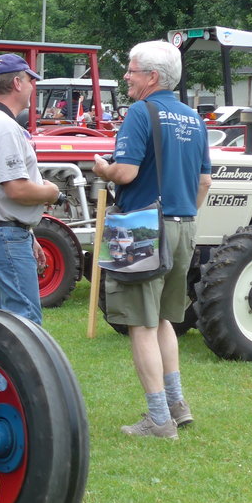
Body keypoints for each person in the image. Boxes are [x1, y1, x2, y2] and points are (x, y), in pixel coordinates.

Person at [93, 41, 211, 439]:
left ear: (152, 77)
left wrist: (102, 169)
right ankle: (177, 405)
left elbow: (125, 173)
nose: (126, 76)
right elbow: (205, 181)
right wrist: (183, 214)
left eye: (131, 70)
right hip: (184, 224)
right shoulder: (195, 118)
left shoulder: (141, 114)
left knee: (140, 324)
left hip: (141, 224)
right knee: (162, 319)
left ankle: (158, 420)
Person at [0, 53, 65, 325]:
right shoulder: (4, 127)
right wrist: (52, 192)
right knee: (26, 326)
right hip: (5, 237)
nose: (33, 87)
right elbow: (16, 190)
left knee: (7, 326)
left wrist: (28, 233)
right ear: (18, 83)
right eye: (31, 80)